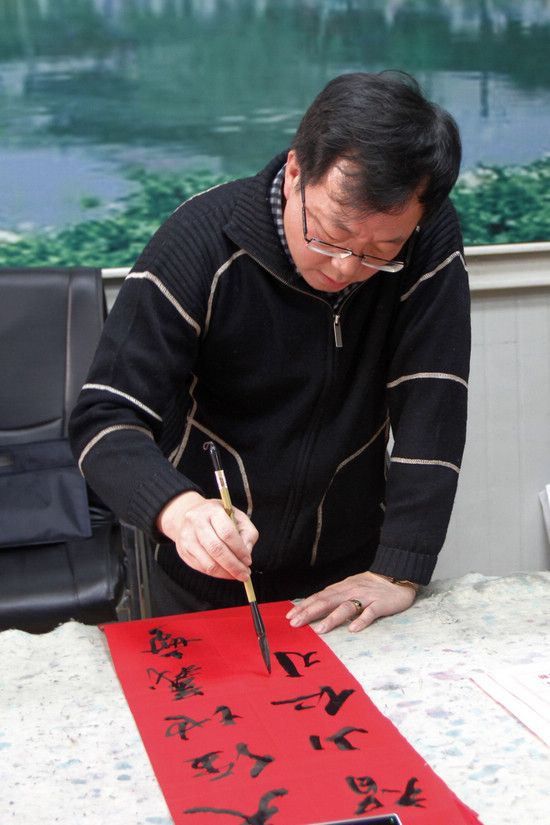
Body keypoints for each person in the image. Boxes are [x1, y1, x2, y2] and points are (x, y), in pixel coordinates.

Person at [69, 71, 470, 634]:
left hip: (350, 577)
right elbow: (105, 417)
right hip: (206, 572)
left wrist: (398, 568)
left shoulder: (427, 239)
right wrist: (180, 512)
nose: (346, 267)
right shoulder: (201, 241)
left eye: (381, 250)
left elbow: (433, 400)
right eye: (330, 234)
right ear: (296, 170)